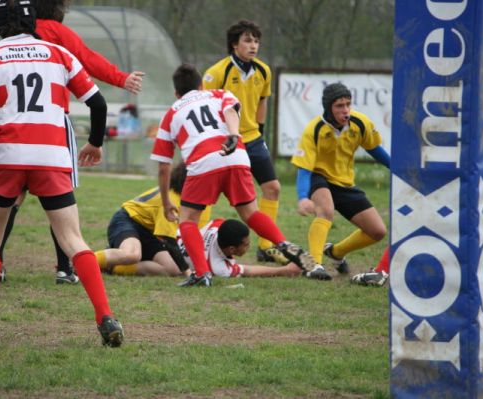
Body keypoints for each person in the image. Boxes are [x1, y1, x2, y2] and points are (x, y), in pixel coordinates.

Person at [0, 0, 123, 347]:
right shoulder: (58, 54)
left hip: (7, 157)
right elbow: (97, 103)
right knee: (73, 238)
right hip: (51, 155)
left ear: (1, 24)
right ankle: (105, 316)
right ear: (33, 20)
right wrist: (94, 143)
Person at [0, 0, 146, 285]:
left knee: (9, 200)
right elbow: (86, 58)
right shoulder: (57, 33)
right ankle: (65, 268)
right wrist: (121, 78)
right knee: (60, 200)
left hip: (12, 125)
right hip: (51, 125)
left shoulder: (7, 41)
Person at [151, 64, 326, 288]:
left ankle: (201, 274)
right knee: (251, 213)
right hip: (237, 155)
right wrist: (234, 135)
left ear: (176, 94)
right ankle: (282, 243)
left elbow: (163, 166)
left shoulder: (172, 113)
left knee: (188, 220)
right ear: (201, 85)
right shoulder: (218, 93)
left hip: (203, 161)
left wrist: (166, 202)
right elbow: (230, 111)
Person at [203, 20, 282, 264]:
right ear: (234, 44)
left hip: (254, 139)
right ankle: (195, 240)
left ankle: (267, 247)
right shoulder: (217, 72)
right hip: (226, 140)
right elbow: (204, 106)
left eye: (256, 41)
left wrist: (260, 132)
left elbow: (262, 104)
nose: (253, 45)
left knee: (273, 188)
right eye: (248, 40)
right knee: (208, 194)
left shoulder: (264, 71)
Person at [291, 82, 391, 276]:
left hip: (344, 183)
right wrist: (303, 197)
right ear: (328, 108)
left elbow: (375, 150)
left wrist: (397, 168)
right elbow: (304, 170)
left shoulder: (360, 123)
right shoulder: (314, 130)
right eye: (339, 106)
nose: (345, 110)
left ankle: (336, 252)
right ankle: (314, 265)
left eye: (348, 104)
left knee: (377, 231)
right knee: (326, 210)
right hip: (318, 177)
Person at [96, 162, 211, 277]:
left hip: (150, 232)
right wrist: (187, 272)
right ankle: (83, 262)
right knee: (132, 254)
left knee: (173, 269)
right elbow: (168, 240)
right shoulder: (171, 201)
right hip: (128, 220)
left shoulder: (196, 202)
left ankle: (114, 267)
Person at [178, 219, 303, 279]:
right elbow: (247, 271)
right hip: (171, 254)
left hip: (177, 237)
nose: (249, 246)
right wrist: (284, 270)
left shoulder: (217, 226)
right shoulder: (218, 267)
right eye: (246, 245)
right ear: (232, 249)